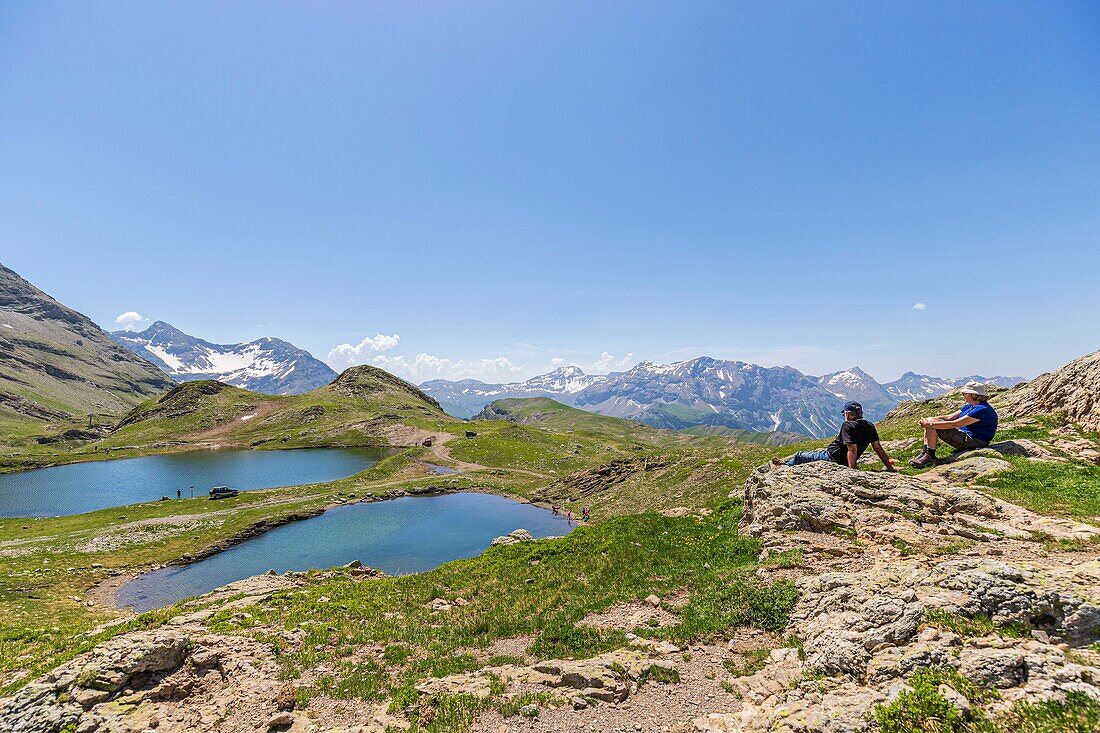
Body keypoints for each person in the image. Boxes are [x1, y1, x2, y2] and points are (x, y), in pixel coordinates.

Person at [771, 401, 897, 471]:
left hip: (831, 457)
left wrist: (852, 471)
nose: (844, 416)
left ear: (848, 413)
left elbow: (852, 449)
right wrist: (889, 468)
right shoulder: (870, 425)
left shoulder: (848, 425)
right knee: (812, 454)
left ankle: (783, 468)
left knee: (799, 455)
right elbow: (878, 448)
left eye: (844, 414)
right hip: (838, 458)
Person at [910, 382, 998, 468]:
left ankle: (930, 456)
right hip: (966, 436)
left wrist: (929, 424)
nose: (963, 395)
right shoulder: (970, 406)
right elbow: (949, 417)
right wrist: (930, 419)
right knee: (931, 423)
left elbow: (954, 424)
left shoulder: (982, 409)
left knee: (932, 425)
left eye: (964, 393)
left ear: (972, 394)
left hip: (976, 441)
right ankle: (925, 453)